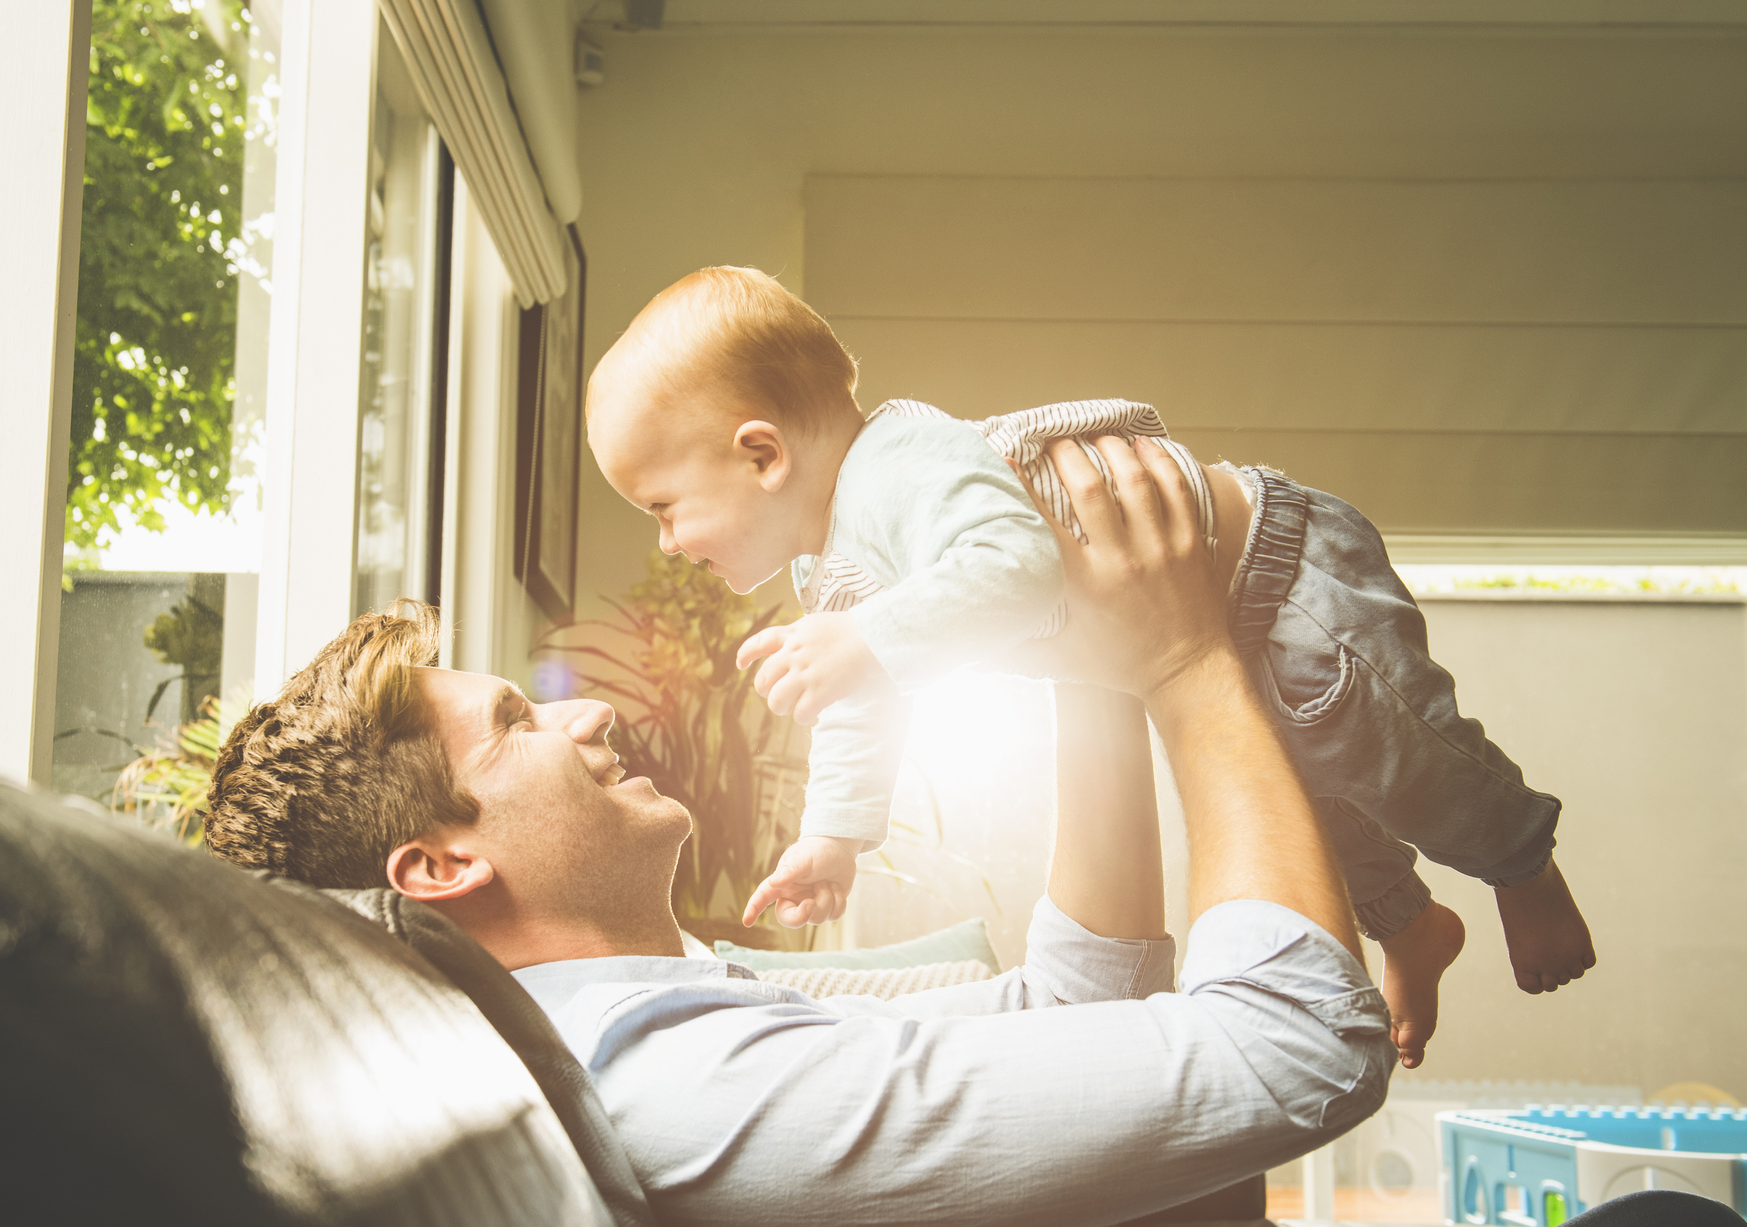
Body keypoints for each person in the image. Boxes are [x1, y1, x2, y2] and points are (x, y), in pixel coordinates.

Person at [203, 433, 1747, 1227]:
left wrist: (1085, 673)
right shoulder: (685, 1100)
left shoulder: (671, 1001)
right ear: (437, 864)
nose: (581, 718)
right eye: (514, 725)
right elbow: (1298, 1050)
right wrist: (1186, 664)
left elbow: (1065, 997)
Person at [582, 264, 1595, 1068]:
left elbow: (1016, 571)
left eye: (663, 506)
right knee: (1314, 794)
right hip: (1202, 616)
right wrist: (836, 834)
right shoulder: (827, 565)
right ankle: (1410, 925)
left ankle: (1520, 860)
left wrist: (866, 641)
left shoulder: (900, 465)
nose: (666, 542)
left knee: (1385, 746)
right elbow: (865, 692)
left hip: (1277, 570)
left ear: (761, 454)